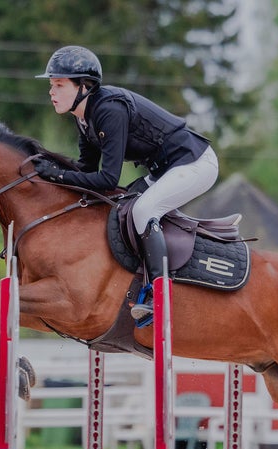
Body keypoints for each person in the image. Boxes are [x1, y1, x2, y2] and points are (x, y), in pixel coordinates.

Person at [32, 45, 219, 326]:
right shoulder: (84, 118)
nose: (51, 92)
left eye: (59, 84)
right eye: (51, 85)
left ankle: (160, 295)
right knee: (119, 209)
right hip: (165, 169)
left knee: (143, 210)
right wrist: (51, 172)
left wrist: (56, 175)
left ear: (85, 86)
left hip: (194, 163)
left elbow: (107, 180)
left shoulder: (109, 110)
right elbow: (85, 170)